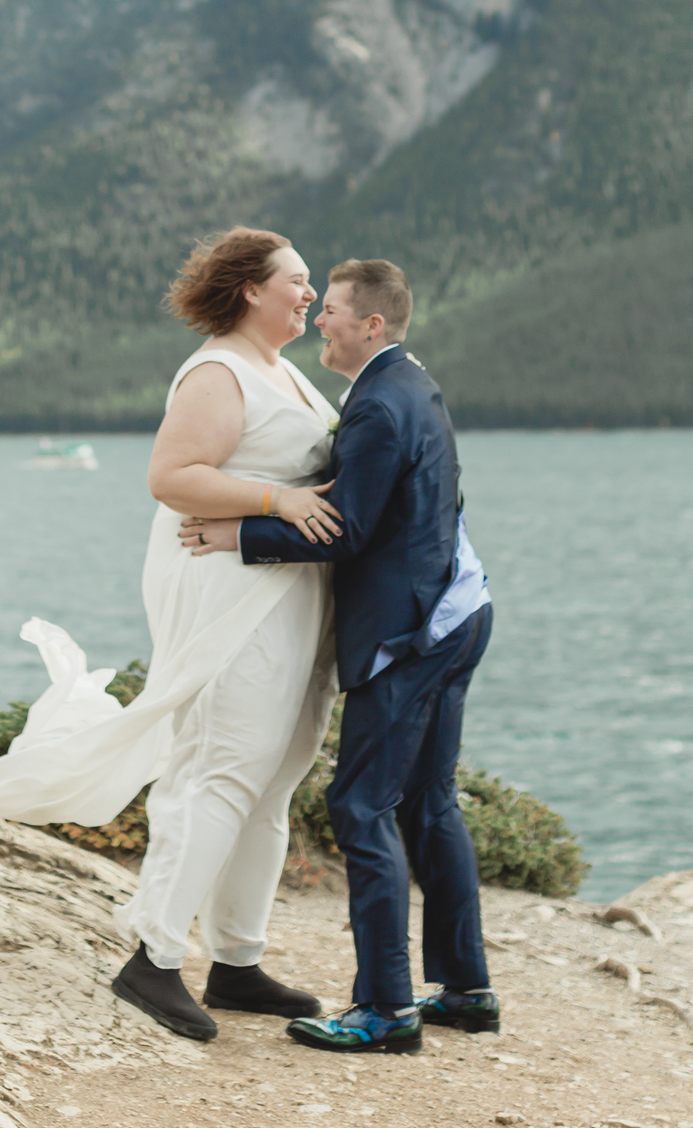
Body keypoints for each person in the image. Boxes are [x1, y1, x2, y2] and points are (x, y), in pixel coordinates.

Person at [0, 227, 345, 1043]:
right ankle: (153, 960)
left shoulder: (284, 371)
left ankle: (236, 961)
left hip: (291, 590)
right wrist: (280, 504)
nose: (310, 295)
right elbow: (172, 478)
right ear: (248, 289)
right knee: (222, 768)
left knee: (273, 779)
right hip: (233, 588)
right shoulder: (216, 370)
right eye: (296, 281)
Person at [181, 258, 496, 1055]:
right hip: (459, 608)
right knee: (429, 803)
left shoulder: (378, 407)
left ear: (373, 326)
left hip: (409, 630)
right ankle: (465, 989)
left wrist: (237, 533)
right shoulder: (410, 385)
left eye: (336, 311)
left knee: (360, 807)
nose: (320, 318)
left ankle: (386, 1009)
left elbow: (347, 528)